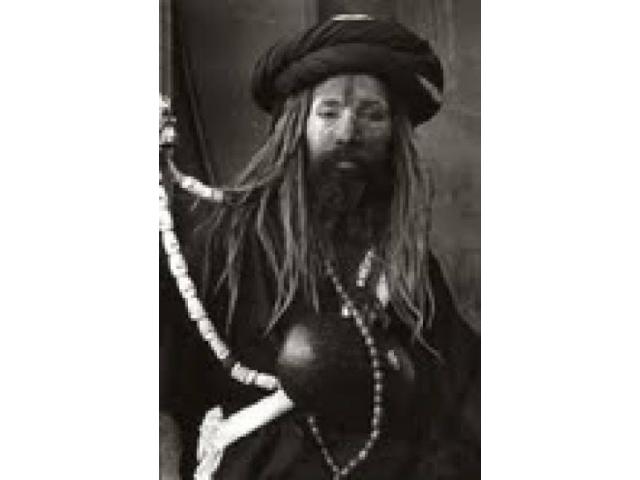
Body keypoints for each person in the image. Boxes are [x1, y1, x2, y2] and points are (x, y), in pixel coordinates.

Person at [160, 14, 480, 480]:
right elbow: (164, 395)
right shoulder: (224, 245)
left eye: (372, 114)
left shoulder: (407, 264)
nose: (348, 132)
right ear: (296, 127)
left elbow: (464, 391)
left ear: (395, 136)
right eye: (329, 112)